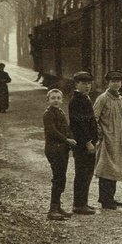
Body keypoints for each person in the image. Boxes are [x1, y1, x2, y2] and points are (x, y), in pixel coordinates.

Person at [93, 70, 122, 210]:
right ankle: (105, 200)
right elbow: (94, 118)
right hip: (107, 138)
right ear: (108, 83)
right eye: (113, 81)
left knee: (116, 167)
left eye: (118, 81)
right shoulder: (102, 98)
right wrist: (100, 134)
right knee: (106, 168)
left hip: (119, 139)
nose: (116, 84)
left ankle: (111, 198)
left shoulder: (120, 99)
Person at [42, 89, 76, 221]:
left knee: (61, 177)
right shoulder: (48, 114)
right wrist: (67, 140)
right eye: (53, 98)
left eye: (58, 98)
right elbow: (52, 131)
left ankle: (58, 206)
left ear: (62, 100)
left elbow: (66, 129)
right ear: (48, 100)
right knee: (58, 177)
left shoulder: (60, 112)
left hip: (62, 149)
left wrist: (71, 139)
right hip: (53, 149)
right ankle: (53, 209)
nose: (56, 100)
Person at [69, 71, 98, 215]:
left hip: (87, 143)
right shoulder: (77, 101)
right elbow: (79, 125)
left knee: (87, 173)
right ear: (76, 84)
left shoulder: (84, 98)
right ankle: (79, 205)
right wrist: (88, 142)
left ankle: (83, 202)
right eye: (83, 83)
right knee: (82, 173)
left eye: (89, 83)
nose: (87, 86)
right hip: (82, 145)